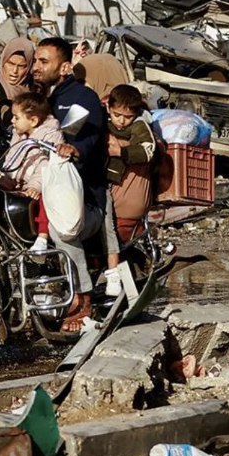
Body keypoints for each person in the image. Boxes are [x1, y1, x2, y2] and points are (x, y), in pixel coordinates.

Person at [32, 37, 108, 333]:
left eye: (43, 61)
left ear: (64, 67)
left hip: (82, 195)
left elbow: (90, 136)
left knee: (59, 228)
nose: (36, 67)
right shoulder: (41, 99)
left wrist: (75, 149)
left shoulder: (81, 97)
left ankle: (82, 298)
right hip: (45, 186)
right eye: (36, 61)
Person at [104, 84, 158, 297]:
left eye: (126, 116)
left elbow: (148, 150)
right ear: (109, 109)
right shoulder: (105, 123)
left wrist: (123, 151)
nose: (121, 121)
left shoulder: (138, 127)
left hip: (123, 188)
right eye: (117, 115)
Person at [0, 92, 65, 253]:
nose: (12, 120)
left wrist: (35, 186)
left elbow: (45, 164)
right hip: (20, 183)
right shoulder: (18, 134)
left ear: (33, 120)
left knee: (46, 200)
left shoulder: (51, 134)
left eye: (16, 117)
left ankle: (42, 237)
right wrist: (2, 177)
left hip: (43, 184)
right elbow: (11, 160)